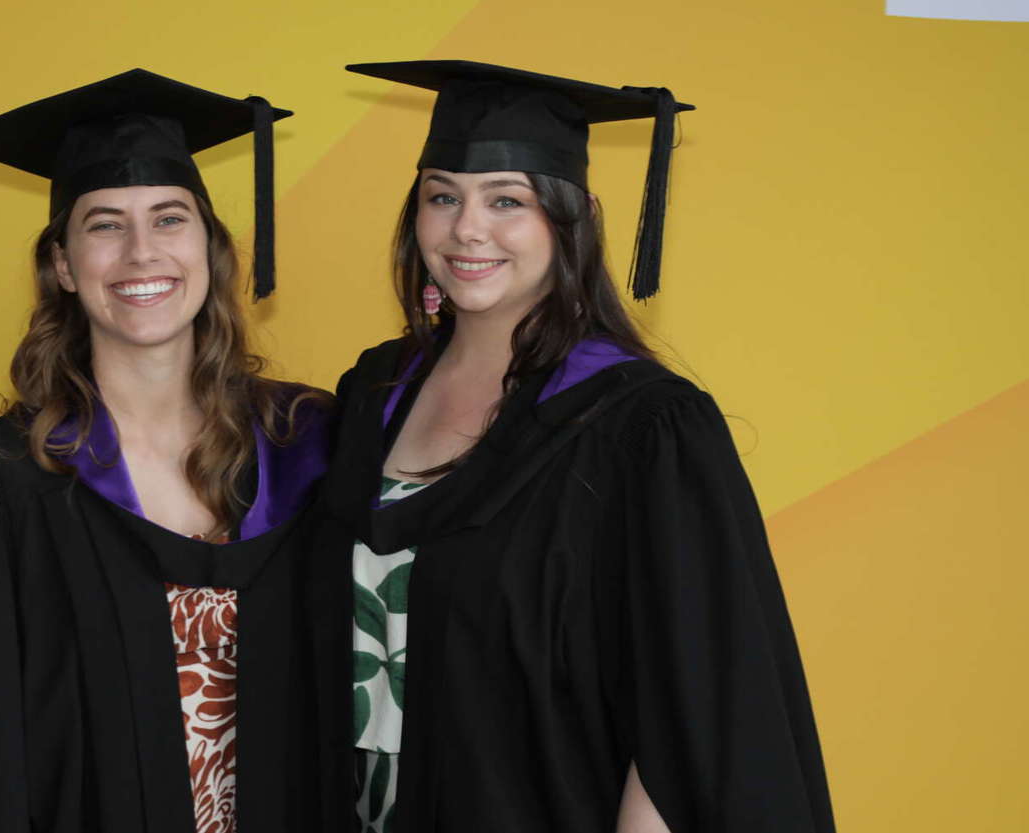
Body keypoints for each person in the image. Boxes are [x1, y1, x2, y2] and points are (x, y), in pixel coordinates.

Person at [308, 61, 834, 832]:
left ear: (572, 217)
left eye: (507, 200)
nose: (466, 229)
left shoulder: (641, 429)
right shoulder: (373, 392)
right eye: (442, 196)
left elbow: (692, 702)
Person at [0, 69, 331, 833]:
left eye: (170, 219)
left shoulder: (307, 444)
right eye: (105, 224)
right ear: (64, 266)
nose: (142, 252)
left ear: (211, 248)